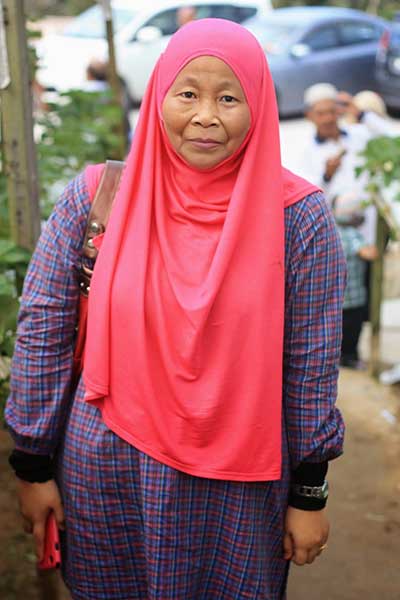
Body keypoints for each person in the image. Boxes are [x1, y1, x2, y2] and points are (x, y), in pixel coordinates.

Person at [5, 20, 345, 600]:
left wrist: (309, 494)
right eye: (187, 93)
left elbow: (310, 365)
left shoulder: (299, 219)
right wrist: (32, 467)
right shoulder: (98, 198)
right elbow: (44, 331)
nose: (206, 116)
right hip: (108, 466)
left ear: (259, 105)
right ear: (159, 95)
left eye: (229, 98)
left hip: (238, 485)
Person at [333, 193, 378, 368]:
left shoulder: (335, 231)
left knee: (341, 330)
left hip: (340, 295)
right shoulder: (352, 234)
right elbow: (367, 253)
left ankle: (342, 357)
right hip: (354, 296)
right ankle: (349, 358)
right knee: (353, 330)